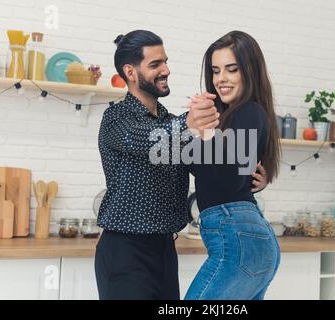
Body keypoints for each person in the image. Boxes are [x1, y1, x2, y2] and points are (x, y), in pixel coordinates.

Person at [95, 30, 268, 300]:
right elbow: (150, 142)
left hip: (165, 251)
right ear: (130, 72)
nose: (166, 70)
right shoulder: (117, 118)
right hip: (125, 253)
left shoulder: (174, 123)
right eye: (155, 65)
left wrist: (251, 173)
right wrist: (191, 123)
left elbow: (212, 167)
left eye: (165, 61)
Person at [184, 31, 281, 300]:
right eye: (215, 71)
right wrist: (196, 127)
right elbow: (205, 168)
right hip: (246, 239)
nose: (221, 79)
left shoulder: (248, 111)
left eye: (231, 69)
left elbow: (229, 180)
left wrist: (205, 133)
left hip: (238, 237)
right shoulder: (233, 116)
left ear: (250, 71)